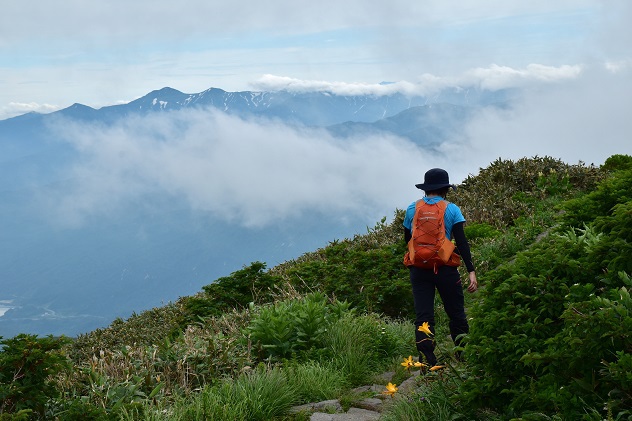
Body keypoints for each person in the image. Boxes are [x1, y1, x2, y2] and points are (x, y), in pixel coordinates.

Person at [403, 168, 478, 367]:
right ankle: (463, 356)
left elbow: (407, 240)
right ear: (445, 188)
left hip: (419, 270)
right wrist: (471, 271)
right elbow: (461, 243)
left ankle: (428, 361)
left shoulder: (412, 208)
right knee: (456, 313)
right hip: (445, 269)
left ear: (426, 189)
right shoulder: (452, 209)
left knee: (424, 316)